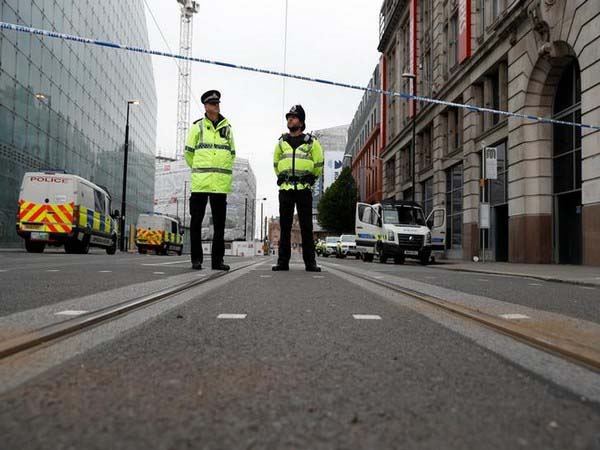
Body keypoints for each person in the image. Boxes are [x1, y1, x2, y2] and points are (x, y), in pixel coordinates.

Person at [184, 90, 235, 271]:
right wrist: (200, 171)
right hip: (201, 183)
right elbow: (188, 153)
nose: (216, 106)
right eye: (213, 104)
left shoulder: (227, 128)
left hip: (220, 185)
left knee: (219, 226)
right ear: (206, 107)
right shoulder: (197, 127)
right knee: (196, 222)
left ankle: (217, 261)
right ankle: (196, 260)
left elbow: (232, 154)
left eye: (217, 103)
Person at [272, 105, 324, 272]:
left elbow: (319, 163)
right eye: (289, 117)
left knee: (306, 227)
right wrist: (280, 176)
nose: (290, 120)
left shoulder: (311, 142)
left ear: (301, 122)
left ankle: (310, 263)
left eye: (293, 117)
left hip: (303, 188)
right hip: (286, 188)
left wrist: (312, 177)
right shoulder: (281, 142)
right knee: (285, 227)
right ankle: (282, 262)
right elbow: (275, 163)